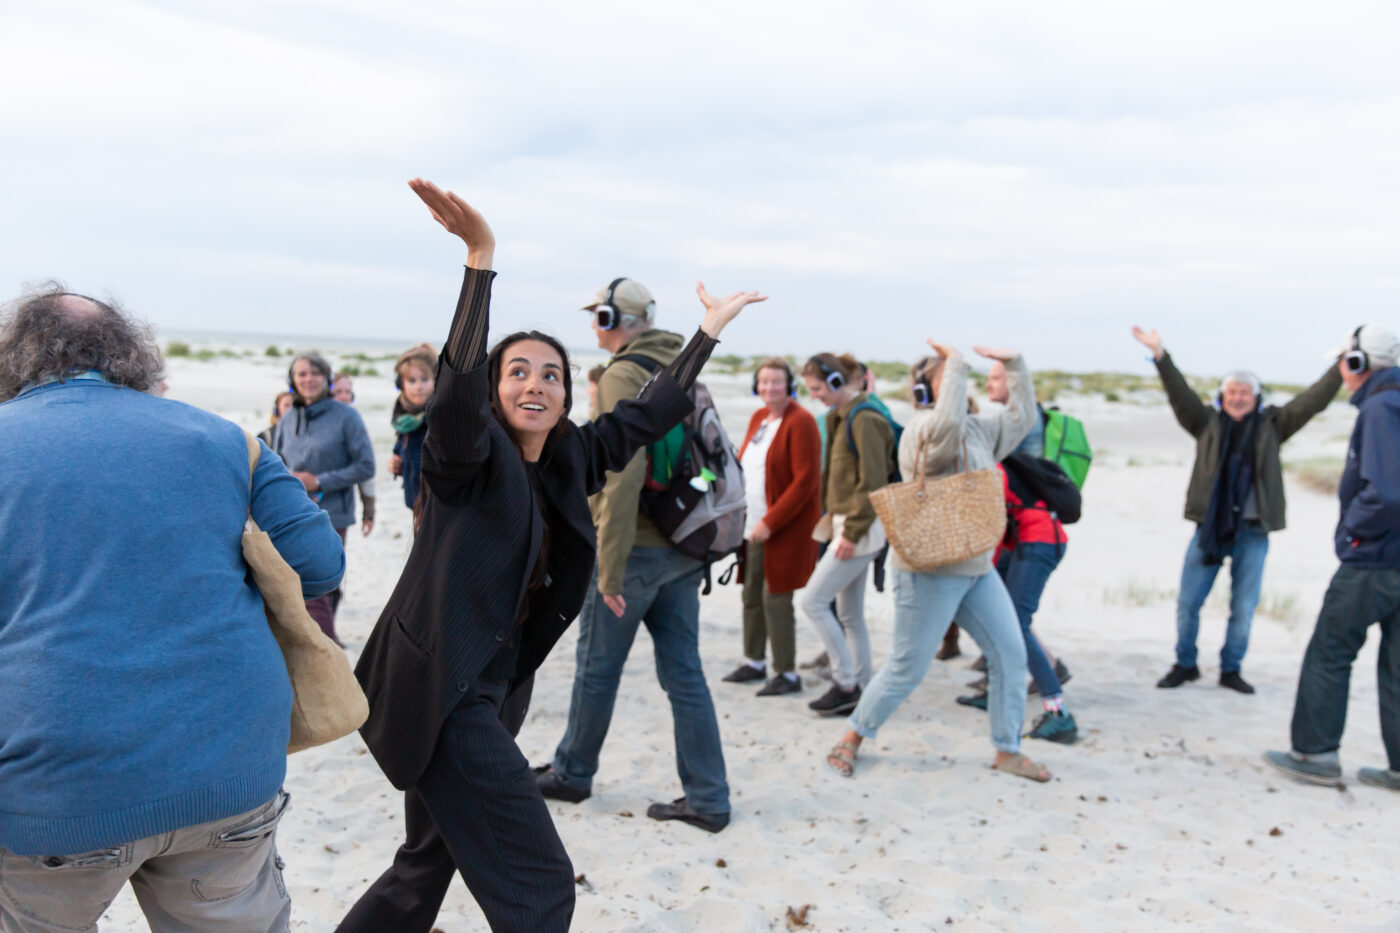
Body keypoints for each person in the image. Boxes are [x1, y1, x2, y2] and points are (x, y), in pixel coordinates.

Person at [341, 179, 764, 933]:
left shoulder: (570, 454)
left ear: (569, 392)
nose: (536, 384)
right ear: (495, 392)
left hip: (499, 686)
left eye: (552, 374)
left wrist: (707, 331)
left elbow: (649, 414)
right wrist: (480, 261)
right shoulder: (465, 459)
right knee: (541, 889)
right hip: (442, 691)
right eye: (519, 372)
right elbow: (456, 393)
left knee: (424, 867)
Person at [0, 287, 344, 931]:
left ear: (16, 360)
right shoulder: (222, 438)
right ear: (129, 355)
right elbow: (321, 565)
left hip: (52, 788)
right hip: (226, 770)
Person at [535, 271, 751, 835]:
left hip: (634, 555)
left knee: (595, 671)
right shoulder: (679, 369)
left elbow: (620, 479)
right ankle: (709, 798)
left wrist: (607, 570)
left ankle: (572, 773)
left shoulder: (622, 375)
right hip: (684, 547)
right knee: (686, 676)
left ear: (616, 321)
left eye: (598, 316)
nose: (592, 326)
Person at [826, 341, 1052, 782]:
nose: (959, 385)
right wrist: (958, 366)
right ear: (929, 391)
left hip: (975, 567)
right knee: (907, 667)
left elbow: (1023, 419)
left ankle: (1007, 749)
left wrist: (1015, 365)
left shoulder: (980, 430)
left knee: (1010, 655)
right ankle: (852, 736)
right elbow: (944, 433)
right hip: (927, 571)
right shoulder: (920, 432)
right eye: (949, 378)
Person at [1132, 326, 1342, 693]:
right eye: (1232, 392)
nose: (1238, 397)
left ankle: (1231, 669)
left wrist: (1340, 367)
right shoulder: (1206, 423)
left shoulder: (1274, 425)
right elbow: (1179, 395)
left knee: (1243, 609)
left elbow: (1312, 401)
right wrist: (1160, 356)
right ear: (1221, 397)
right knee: (1187, 603)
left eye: (1245, 392)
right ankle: (1185, 663)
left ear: (1257, 397)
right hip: (1209, 528)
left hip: (1253, 532)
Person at [1266, 325, 1400, 791]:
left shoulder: (1382, 408)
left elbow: (1385, 494)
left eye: (1345, 361)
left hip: (1376, 558)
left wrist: (1353, 533)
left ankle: (1315, 753)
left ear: (1359, 363)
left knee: (1330, 650)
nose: (1342, 371)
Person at [795, 353, 896, 716]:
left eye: (818, 389)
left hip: (859, 530)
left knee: (812, 602)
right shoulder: (843, 417)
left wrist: (851, 532)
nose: (815, 396)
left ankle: (846, 682)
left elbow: (873, 483)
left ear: (837, 383)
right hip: (849, 526)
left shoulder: (864, 419)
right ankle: (863, 687)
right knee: (849, 614)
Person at [721, 357, 821, 696]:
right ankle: (755, 662)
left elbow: (806, 481)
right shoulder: (759, 417)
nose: (769, 388)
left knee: (775, 598)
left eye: (776, 382)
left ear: (789, 384)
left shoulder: (801, 421)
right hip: (751, 524)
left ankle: (787, 673)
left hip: (782, 527)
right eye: (764, 382)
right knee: (750, 595)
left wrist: (770, 521)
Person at [272, 352, 375, 642]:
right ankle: (324, 644)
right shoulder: (288, 417)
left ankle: (330, 654)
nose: (308, 379)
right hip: (291, 514)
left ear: (327, 379)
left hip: (332, 513)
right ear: (292, 380)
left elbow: (366, 465)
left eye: (315, 373)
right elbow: (277, 463)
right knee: (308, 586)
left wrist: (319, 481)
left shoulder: (347, 417)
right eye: (301, 374)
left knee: (319, 584)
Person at [387, 344, 437, 511]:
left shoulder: (438, 419)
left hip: (437, 508)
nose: (418, 387)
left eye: (424, 379)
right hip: (416, 505)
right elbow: (403, 452)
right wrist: (397, 463)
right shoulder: (406, 420)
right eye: (411, 380)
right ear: (400, 384)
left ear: (436, 380)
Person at [332, 372, 377, 536]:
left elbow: (365, 471)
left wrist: (369, 512)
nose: (344, 397)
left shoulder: (354, 426)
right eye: (338, 392)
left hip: (339, 511)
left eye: (348, 392)